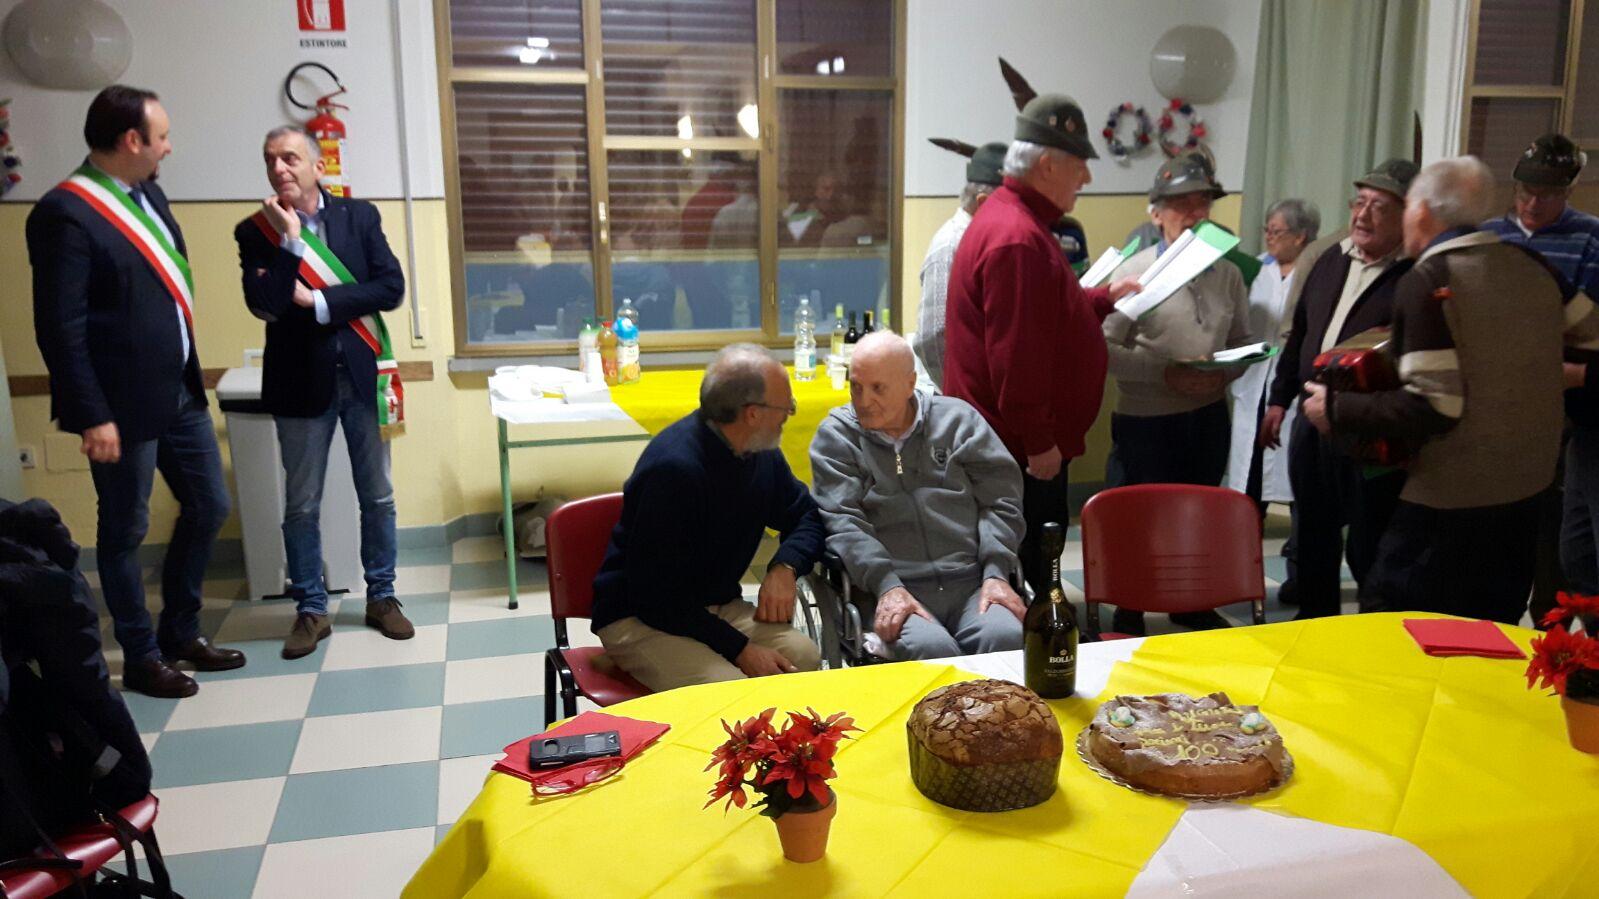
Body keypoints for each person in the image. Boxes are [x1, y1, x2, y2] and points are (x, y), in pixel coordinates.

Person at [1305, 156, 1599, 624]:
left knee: (1393, 625)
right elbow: (1590, 335)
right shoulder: (1532, 265)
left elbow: (1434, 404)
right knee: (1488, 631)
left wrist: (1335, 407)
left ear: (1420, 211)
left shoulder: (1430, 280)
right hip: (1526, 493)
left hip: (1449, 499)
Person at [26, 86, 243, 699]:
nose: (169, 147)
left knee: (209, 506)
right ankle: (142, 654)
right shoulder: (65, 213)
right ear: (131, 141)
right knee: (125, 528)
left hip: (177, 390)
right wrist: (92, 415)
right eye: (162, 136)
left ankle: (180, 631)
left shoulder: (146, 191)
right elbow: (60, 328)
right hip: (118, 407)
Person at [943, 93, 1138, 603]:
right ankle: (1031, 667)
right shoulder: (1018, 237)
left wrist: (1099, 300)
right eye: (1080, 166)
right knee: (1027, 569)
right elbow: (1015, 355)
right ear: (1048, 165)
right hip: (1017, 450)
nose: (1087, 180)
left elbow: (1044, 313)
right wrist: (1039, 441)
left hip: (1010, 441)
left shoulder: (1016, 220)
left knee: (1020, 566)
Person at [234, 125, 412, 659]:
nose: (279, 169)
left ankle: (382, 597)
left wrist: (319, 304)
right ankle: (311, 608)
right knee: (302, 504)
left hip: (360, 374)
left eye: (290, 158)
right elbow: (265, 302)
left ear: (317, 166)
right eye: (270, 161)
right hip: (298, 381)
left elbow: (391, 287)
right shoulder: (254, 231)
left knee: (377, 495)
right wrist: (290, 242)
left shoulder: (360, 217)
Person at [591, 345, 825, 691]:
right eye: (786, 407)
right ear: (753, 414)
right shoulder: (674, 470)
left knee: (802, 657)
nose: (789, 415)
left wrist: (785, 567)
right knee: (726, 691)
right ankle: (631, 658)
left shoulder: (761, 453)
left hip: (713, 606)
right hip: (640, 616)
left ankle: (778, 745)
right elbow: (654, 597)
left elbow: (807, 514)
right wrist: (740, 649)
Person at [1099, 154, 1253, 635]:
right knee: (1142, 518)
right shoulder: (1135, 272)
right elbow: (1102, 347)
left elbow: (1240, 341)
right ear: (1156, 213)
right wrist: (1163, 374)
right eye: (1180, 203)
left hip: (1207, 414)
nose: (1193, 212)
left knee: (1200, 514)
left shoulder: (1228, 274)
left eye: (1202, 202)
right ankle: (1130, 607)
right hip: (1146, 418)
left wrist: (1224, 374)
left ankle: (1193, 602)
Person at [1261, 160, 1418, 620]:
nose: (1364, 216)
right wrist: (1277, 400)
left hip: (1369, 427)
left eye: (1380, 207)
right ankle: (1313, 622)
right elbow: (1301, 336)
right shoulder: (1330, 259)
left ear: (1407, 215)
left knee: (1370, 540)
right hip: (1311, 420)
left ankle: (1373, 631)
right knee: (1311, 533)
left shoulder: (1414, 274)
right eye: (1360, 203)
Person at [810, 332, 1026, 659]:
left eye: (877, 388)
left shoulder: (958, 421)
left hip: (972, 582)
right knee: (931, 651)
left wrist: (996, 572)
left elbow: (1001, 500)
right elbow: (843, 521)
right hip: (891, 587)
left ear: (910, 383)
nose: (863, 400)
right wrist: (887, 585)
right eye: (856, 386)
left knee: (1007, 639)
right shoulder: (837, 437)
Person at [1481, 134, 1599, 617]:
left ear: (1568, 192)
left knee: (1555, 529)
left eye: (1546, 195)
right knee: (1493, 524)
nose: (1532, 203)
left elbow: (1587, 324)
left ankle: (1549, 620)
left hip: (1560, 406)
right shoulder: (1490, 234)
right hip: (1493, 406)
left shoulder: (1590, 237)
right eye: (1524, 191)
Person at [1225, 199, 1320, 602]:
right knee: (1247, 491)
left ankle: (1300, 577)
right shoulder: (1259, 271)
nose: (1268, 237)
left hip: (1293, 391)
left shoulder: (1315, 271)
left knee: (1301, 490)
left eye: (1276, 231)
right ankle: (1237, 576)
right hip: (1254, 387)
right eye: (1267, 229)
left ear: (1300, 237)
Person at [915, 140, 1005, 387]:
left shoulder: (985, 239)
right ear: (983, 202)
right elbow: (932, 337)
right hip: (962, 402)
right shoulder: (950, 246)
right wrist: (960, 396)